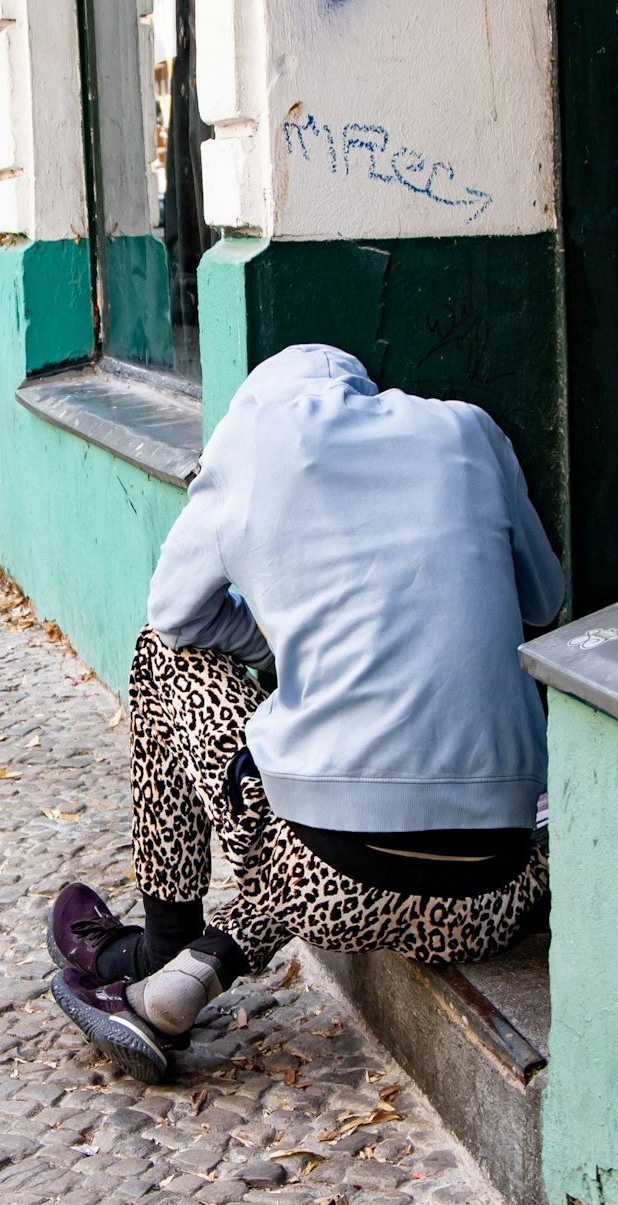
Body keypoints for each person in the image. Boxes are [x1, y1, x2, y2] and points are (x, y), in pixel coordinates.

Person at [46, 344, 564, 1082]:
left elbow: (176, 616)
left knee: (158, 652)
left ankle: (165, 947)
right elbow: (544, 601)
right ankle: (192, 972)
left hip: (325, 883)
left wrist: (281, 646)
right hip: (492, 897)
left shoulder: (249, 440)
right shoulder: (467, 428)